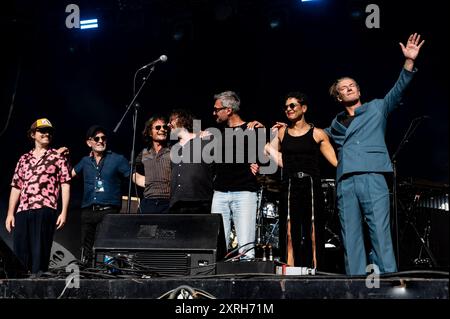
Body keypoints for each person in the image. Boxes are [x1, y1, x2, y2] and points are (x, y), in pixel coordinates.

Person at [325, 33, 425, 275]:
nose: (349, 89)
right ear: (338, 96)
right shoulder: (334, 124)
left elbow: (398, 88)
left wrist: (409, 62)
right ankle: (356, 282)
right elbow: (312, 136)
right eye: (343, 88)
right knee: (350, 234)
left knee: (379, 231)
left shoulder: (377, 108)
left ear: (358, 90)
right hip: (346, 180)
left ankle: (388, 279)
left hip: (372, 175)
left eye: (352, 85)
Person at [265, 92, 337, 269]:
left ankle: (316, 270)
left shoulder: (318, 134)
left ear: (303, 108)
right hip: (290, 185)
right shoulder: (282, 133)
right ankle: (289, 272)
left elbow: (336, 162)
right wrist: (270, 138)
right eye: (286, 107)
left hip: (311, 185)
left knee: (313, 229)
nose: (288, 109)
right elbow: (272, 155)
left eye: (292, 106)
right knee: (289, 230)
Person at [5, 118, 71, 275]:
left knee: (39, 256)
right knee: (20, 255)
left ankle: (37, 287)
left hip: (45, 208)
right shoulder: (24, 159)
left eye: (49, 131)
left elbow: (65, 184)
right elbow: (16, 186)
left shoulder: (57, 157)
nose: (47, 134)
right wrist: (10, 213)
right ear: (33, 134)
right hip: (23, 210)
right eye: (42, 131)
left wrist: (64, 212)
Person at [211, 90, 262, 259]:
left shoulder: (252, 129)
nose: (214, 113)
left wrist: (260, 164)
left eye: (217, 109)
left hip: (244, 192)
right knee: (216, 244)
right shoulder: (217, 133)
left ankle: (247, 283)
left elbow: (266, 156)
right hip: (219, 193)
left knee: (246, 246)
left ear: (228, 110)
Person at [72, 125, 130, 264]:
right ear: (89, 142)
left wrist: (151, 182)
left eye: (103, 138)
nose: (100, 141)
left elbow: (133, 176)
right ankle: (88, 277)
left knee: (104, 250)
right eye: (96, 138)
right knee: (86, 251)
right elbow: (68, 176)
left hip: (108, 211)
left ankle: (105, 277)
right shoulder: (85, 161)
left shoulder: (117, 159)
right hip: (88, 211)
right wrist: (59, 156)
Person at [168, 109, 214, 214]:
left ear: (182, 120)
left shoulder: (206, 140)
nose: (168, 124)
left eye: (171, 120)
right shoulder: (173, 148)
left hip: (200, 202)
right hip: (176, 204)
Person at [133, 116, 171, 213]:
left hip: (168, 203)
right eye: (158, 127)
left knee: (165, 229)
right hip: (148, 202)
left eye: (164, 127)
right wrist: (141, 180)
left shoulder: (173, 150)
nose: (162, 129)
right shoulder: (145, 152)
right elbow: (130, 168)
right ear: (150, 132)